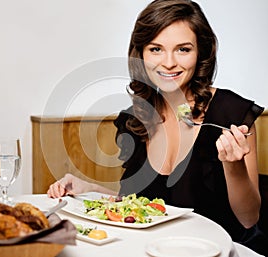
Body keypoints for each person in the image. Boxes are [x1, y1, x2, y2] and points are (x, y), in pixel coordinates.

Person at [47, 0, 267, 255]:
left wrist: (233, 165)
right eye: (156, 49)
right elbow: (142, 207)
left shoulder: (231, 112)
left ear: (201, 53)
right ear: (141, 54)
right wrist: (87, 190)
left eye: (183, 49)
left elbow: (249, 218)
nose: (169, 62)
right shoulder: (135, 120)